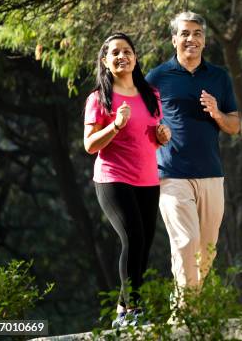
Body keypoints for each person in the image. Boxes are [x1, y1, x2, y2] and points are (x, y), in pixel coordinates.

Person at [146, 12, 240, 297]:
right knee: (186, 242)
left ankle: (191, 313)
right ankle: (184, 319)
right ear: (174, 39)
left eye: (197, 33)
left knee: (206, 251)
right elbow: (143, 125)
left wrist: (216, 113)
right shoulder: (157, 77)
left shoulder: (219, 77)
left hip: (211, 174)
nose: (192, 39)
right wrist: (156, 135)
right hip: (171, 173)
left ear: (204, 40)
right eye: (185, 33)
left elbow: (235, 126)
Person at [84, 33, 171, 328]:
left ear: (135, 57)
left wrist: (162, 137)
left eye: (128, 51)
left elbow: (149, 137)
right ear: (105, 61)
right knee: (132, 237)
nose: (123, 56)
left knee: (143, 245)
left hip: (147, 179)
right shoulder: (99, 99)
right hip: (113, 178)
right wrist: (116, 126)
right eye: (116, 53)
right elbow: (90, 145)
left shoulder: (151, 95)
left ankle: (123, 310)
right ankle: (134, 309)